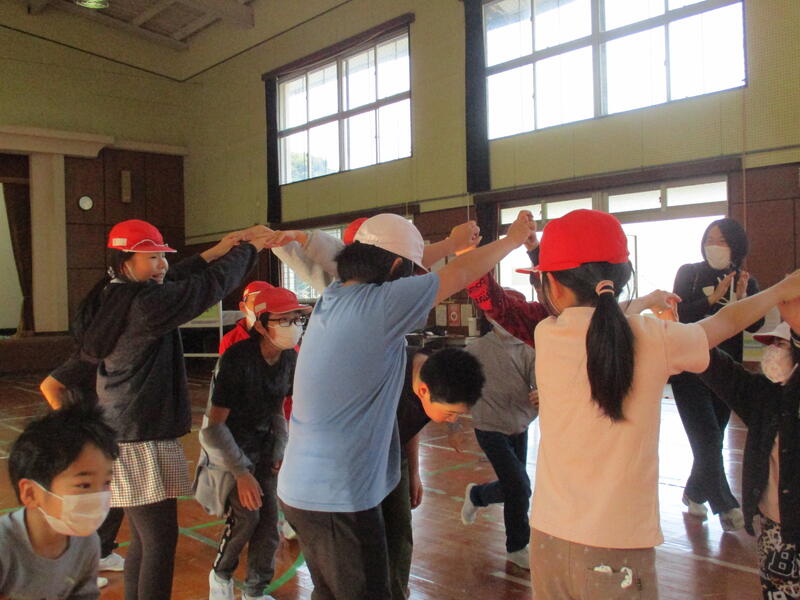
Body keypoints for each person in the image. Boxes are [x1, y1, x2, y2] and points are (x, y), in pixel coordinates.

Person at [525, 209, 800, 599]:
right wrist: (778, 290)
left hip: (547, 537)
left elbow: (601, 322)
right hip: (616, 548)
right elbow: (724, 323)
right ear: (623, 275)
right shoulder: (654, 338)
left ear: (551, 284)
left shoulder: (546, 334)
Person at [275, 211, 535, 599]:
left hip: (307, 492)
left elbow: (393, 261)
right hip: (337, 497)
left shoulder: (337, 295)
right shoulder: (381, 307)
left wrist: (451, 243)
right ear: (398, 270)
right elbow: (461, 272)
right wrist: (512, 240)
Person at [76, 218, 270, 600]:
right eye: (152, 257)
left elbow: (177, 277)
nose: (162, 264)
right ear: (125, 260)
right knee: (160, 542)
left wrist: (218, 250)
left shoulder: (117, 293)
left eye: (162, 256)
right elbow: (205, 287)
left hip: (125, 432)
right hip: (140, 436)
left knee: (146, 541)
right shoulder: (147, 306)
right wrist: (250, 249)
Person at [195, 285, 310, 600]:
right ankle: (221, 575)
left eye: (296, 319)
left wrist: (279, 447)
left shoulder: (289, 359)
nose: (293, 326)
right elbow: (214, 428)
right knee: (247, 517)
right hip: (230, 451)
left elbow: (277, 410)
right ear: (260, 325)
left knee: (269, 524)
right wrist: (241, 473)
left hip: (264, 450)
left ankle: (255, 590)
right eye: (283, 320)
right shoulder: (236, 359)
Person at [697, 312, 800, 599]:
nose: (773, 351)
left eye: (781, 344)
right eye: (772, 344)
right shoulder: (764, 395)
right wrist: (685, 332)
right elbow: (721, 370)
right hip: (774, 527)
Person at [671, 217, 763, 530]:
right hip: (688, 368)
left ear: (736, 246)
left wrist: (744, 300)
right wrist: (711, 299)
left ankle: (694, 493)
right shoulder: (690, 273)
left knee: (713, 438)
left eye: (722, 240)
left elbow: (755, 325)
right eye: (710, 239)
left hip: (725, 371)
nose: (714, 245)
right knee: (708, 436)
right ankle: (726, 506)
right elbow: (678, 315)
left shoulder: (745, 280)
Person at [0, 404, 118, 599]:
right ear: (31, 493)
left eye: (106, 482)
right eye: (84, 485)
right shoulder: (5, 547)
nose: (98, 496)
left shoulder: (86, 541)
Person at [461, 308, 538, 570]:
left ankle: (477, 495)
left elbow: (538, 382)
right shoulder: (476, 349)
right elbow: (458, 381)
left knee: (514, 487)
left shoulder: (528, 349)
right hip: (489, 428)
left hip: (519, 426)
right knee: (519, 486)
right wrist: (454, 423)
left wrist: (540, 393)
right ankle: (517, 546)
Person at [40, 358, 126, 589]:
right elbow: (49, 386)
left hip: (103, 438)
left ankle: (102, 553)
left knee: (115, 497)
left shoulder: (114, 358)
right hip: (81, 441)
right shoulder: (87, 358)